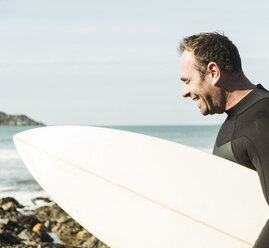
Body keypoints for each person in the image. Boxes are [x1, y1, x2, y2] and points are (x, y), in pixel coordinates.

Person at [179, 32, 269, 248]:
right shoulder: (240, 119)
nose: (184, 92)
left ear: (213, 71)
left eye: (187, 80)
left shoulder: (262, 119)